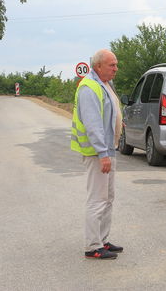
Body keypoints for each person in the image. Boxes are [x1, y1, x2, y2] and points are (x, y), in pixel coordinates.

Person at [71, 49, 123, 260]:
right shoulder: (89, 87)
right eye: (112, 65)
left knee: (108, 198)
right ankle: (92, 245)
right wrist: (103, 154)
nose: (115, 69)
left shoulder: (104, 84)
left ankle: (102, 240)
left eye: (116, 64)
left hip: (108, 150)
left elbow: (108, 113)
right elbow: (93, 125)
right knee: (97, 199)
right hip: (97, 153)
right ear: (98, 66)